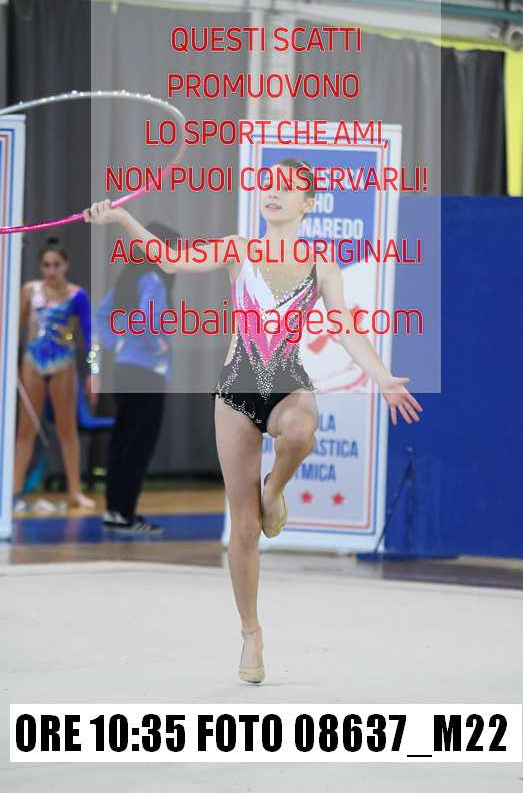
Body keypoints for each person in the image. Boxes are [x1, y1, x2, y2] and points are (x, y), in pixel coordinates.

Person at [83, 158, 423, 684]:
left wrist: (381, 376)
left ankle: (274, 491)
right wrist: (123, 219)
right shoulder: (237, 248)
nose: (274, 192)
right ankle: (251, 631)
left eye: (288, 187)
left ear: (308, 203)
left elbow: (346, 328)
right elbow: (170, 260)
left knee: (301, 431)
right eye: (269, 184)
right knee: (244, 529)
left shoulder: (321, 265)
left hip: (287, 382)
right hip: (235, 390)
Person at [94, 225, 179, 534]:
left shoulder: (128, 279)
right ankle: (126, 513)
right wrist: (156, 343)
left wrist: (118, 344)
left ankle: (114, 511)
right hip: (147, 372)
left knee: (122, 439)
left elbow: (101, 315)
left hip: (124, 368)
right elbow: (148, 319)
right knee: (139, 443)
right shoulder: (154, 280)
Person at [14, 236, 96, 509]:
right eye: (46, 265)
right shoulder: (30, 290)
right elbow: (12, 328)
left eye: (56, 265)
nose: (51, 270)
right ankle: (13, 491)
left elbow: (90, 335)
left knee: (67, 429)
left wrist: (94, 371)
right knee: (25, 430)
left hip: (63, 364)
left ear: (66, 265)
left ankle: (74, 491)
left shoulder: (77, 295)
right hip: (32, 363)